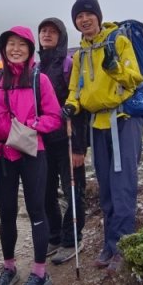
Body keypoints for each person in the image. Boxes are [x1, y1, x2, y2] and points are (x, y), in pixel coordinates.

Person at [63, 0, 143, 273]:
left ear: (98, 16)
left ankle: (124, 247)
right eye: (79, 16)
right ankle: (110, 245)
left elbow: (134, 79)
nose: (84, 20)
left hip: (122, 120)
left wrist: (115, 68)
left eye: (89, 14)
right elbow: (75, 89)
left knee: (123, 186)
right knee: (107, 188)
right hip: (97, 124)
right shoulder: (80, 54)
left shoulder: (118, 41)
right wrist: (71, 105)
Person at [0, 26, 62, 285]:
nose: (16, 49)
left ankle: (40, 273)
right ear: (3, 49)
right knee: (7, 212)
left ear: (30, 49)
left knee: (37, 210)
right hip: (1, 154)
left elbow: (54, 116)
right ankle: (9, 267)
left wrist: (31, 125)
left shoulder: (39, 80)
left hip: (32, 152)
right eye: (10, 44)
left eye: (22, 45)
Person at [36, 17, 88, 266]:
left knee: (73, 190)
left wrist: (79, 147)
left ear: (61, 37)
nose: (47, 34)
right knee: (46, 192)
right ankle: (55, 235)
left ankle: (72, 239)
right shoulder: (37, 68)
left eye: (52, 32)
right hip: (44, 142)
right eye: (43, 31)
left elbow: (79, 107)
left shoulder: (69, 64)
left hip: (67, 140)